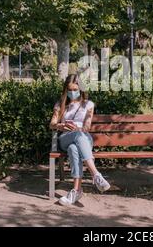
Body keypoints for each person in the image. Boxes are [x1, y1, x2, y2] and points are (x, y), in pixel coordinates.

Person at [50, 74, 110, 206]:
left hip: (83, 137)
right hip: (65, 137)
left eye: (75, 89)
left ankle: (76, 190)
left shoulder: (88, 105)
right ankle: (96, 175)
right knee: (75, 139)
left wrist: (81, 127)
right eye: (69, 90)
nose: (72, 92)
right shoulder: (61, 104)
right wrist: (61, 125)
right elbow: (52, 124)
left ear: (81, 89)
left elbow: (87, 125)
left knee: (74, 147)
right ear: (66, 90)